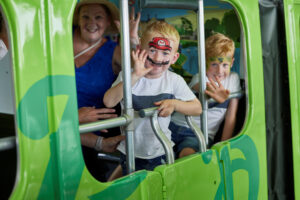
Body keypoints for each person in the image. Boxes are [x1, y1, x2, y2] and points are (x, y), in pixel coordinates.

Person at [103, 21, 202, 175]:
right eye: (152, 50)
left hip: (160, 149)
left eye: (165, 53)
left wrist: (174, 104)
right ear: (139, 50)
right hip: (129, 150)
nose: (157, 57)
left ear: (174, 58)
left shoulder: (173, 80)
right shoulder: (128, 76)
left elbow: (197, 108)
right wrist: (135, 76)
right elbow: (109, 101)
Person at [72, 0, 140, 181]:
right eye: (85, 16)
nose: (91, 22)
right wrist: (73, 116)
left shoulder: (114, 51)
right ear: (78, 19)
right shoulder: (58, 43)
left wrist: (132, 40)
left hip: (91, 132)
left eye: (98, 17)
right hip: (55, 121)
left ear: (108, 21)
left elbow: (140, 73)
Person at [170, 33, 241, 158]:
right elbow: (201, 87)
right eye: (214, 64)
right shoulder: (200, 76)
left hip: (198, 134)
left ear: (232, 62)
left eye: (225, 65)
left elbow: (231, 116)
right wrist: (212, 93)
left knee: (188, 156)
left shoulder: (233, 79)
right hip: (174, 125)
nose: (219, 71)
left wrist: (224, 146)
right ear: (204, 63)